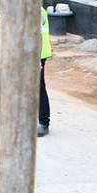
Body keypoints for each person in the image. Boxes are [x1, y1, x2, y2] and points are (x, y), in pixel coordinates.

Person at [38, 7, 52, 137]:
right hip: (26, 53)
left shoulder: (37, 10)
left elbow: (38, 35)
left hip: (38, 54)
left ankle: (44, 122)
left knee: (38, 88)